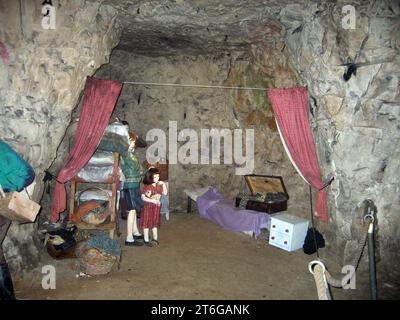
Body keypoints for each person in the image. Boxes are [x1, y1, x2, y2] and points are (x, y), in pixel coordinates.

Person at [119, 132, 146, 246]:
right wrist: (142, 170)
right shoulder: (126, 154)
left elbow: (139, 170)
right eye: (131, 141)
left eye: (134, 142)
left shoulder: (130, 154)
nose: (133, 144)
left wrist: (145, 170)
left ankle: (135, 232)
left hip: (134, 184)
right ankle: (129, 238)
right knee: (132, 210)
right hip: (130, 185)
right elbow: (136, 168)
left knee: (134, 209)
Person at [140, 168, 168, 247]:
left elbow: (165, 193)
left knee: (154, 223)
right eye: (155, 177)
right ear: (150, 177)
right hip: (148, 208)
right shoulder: (148, 187)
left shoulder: (159, 185)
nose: (157, 178)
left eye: (158, 176)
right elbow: (143, 197)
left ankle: (155, 238)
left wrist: (164, 184)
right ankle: (146, 239)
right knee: (147, 224)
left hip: (156, 208)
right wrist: (154, 201)